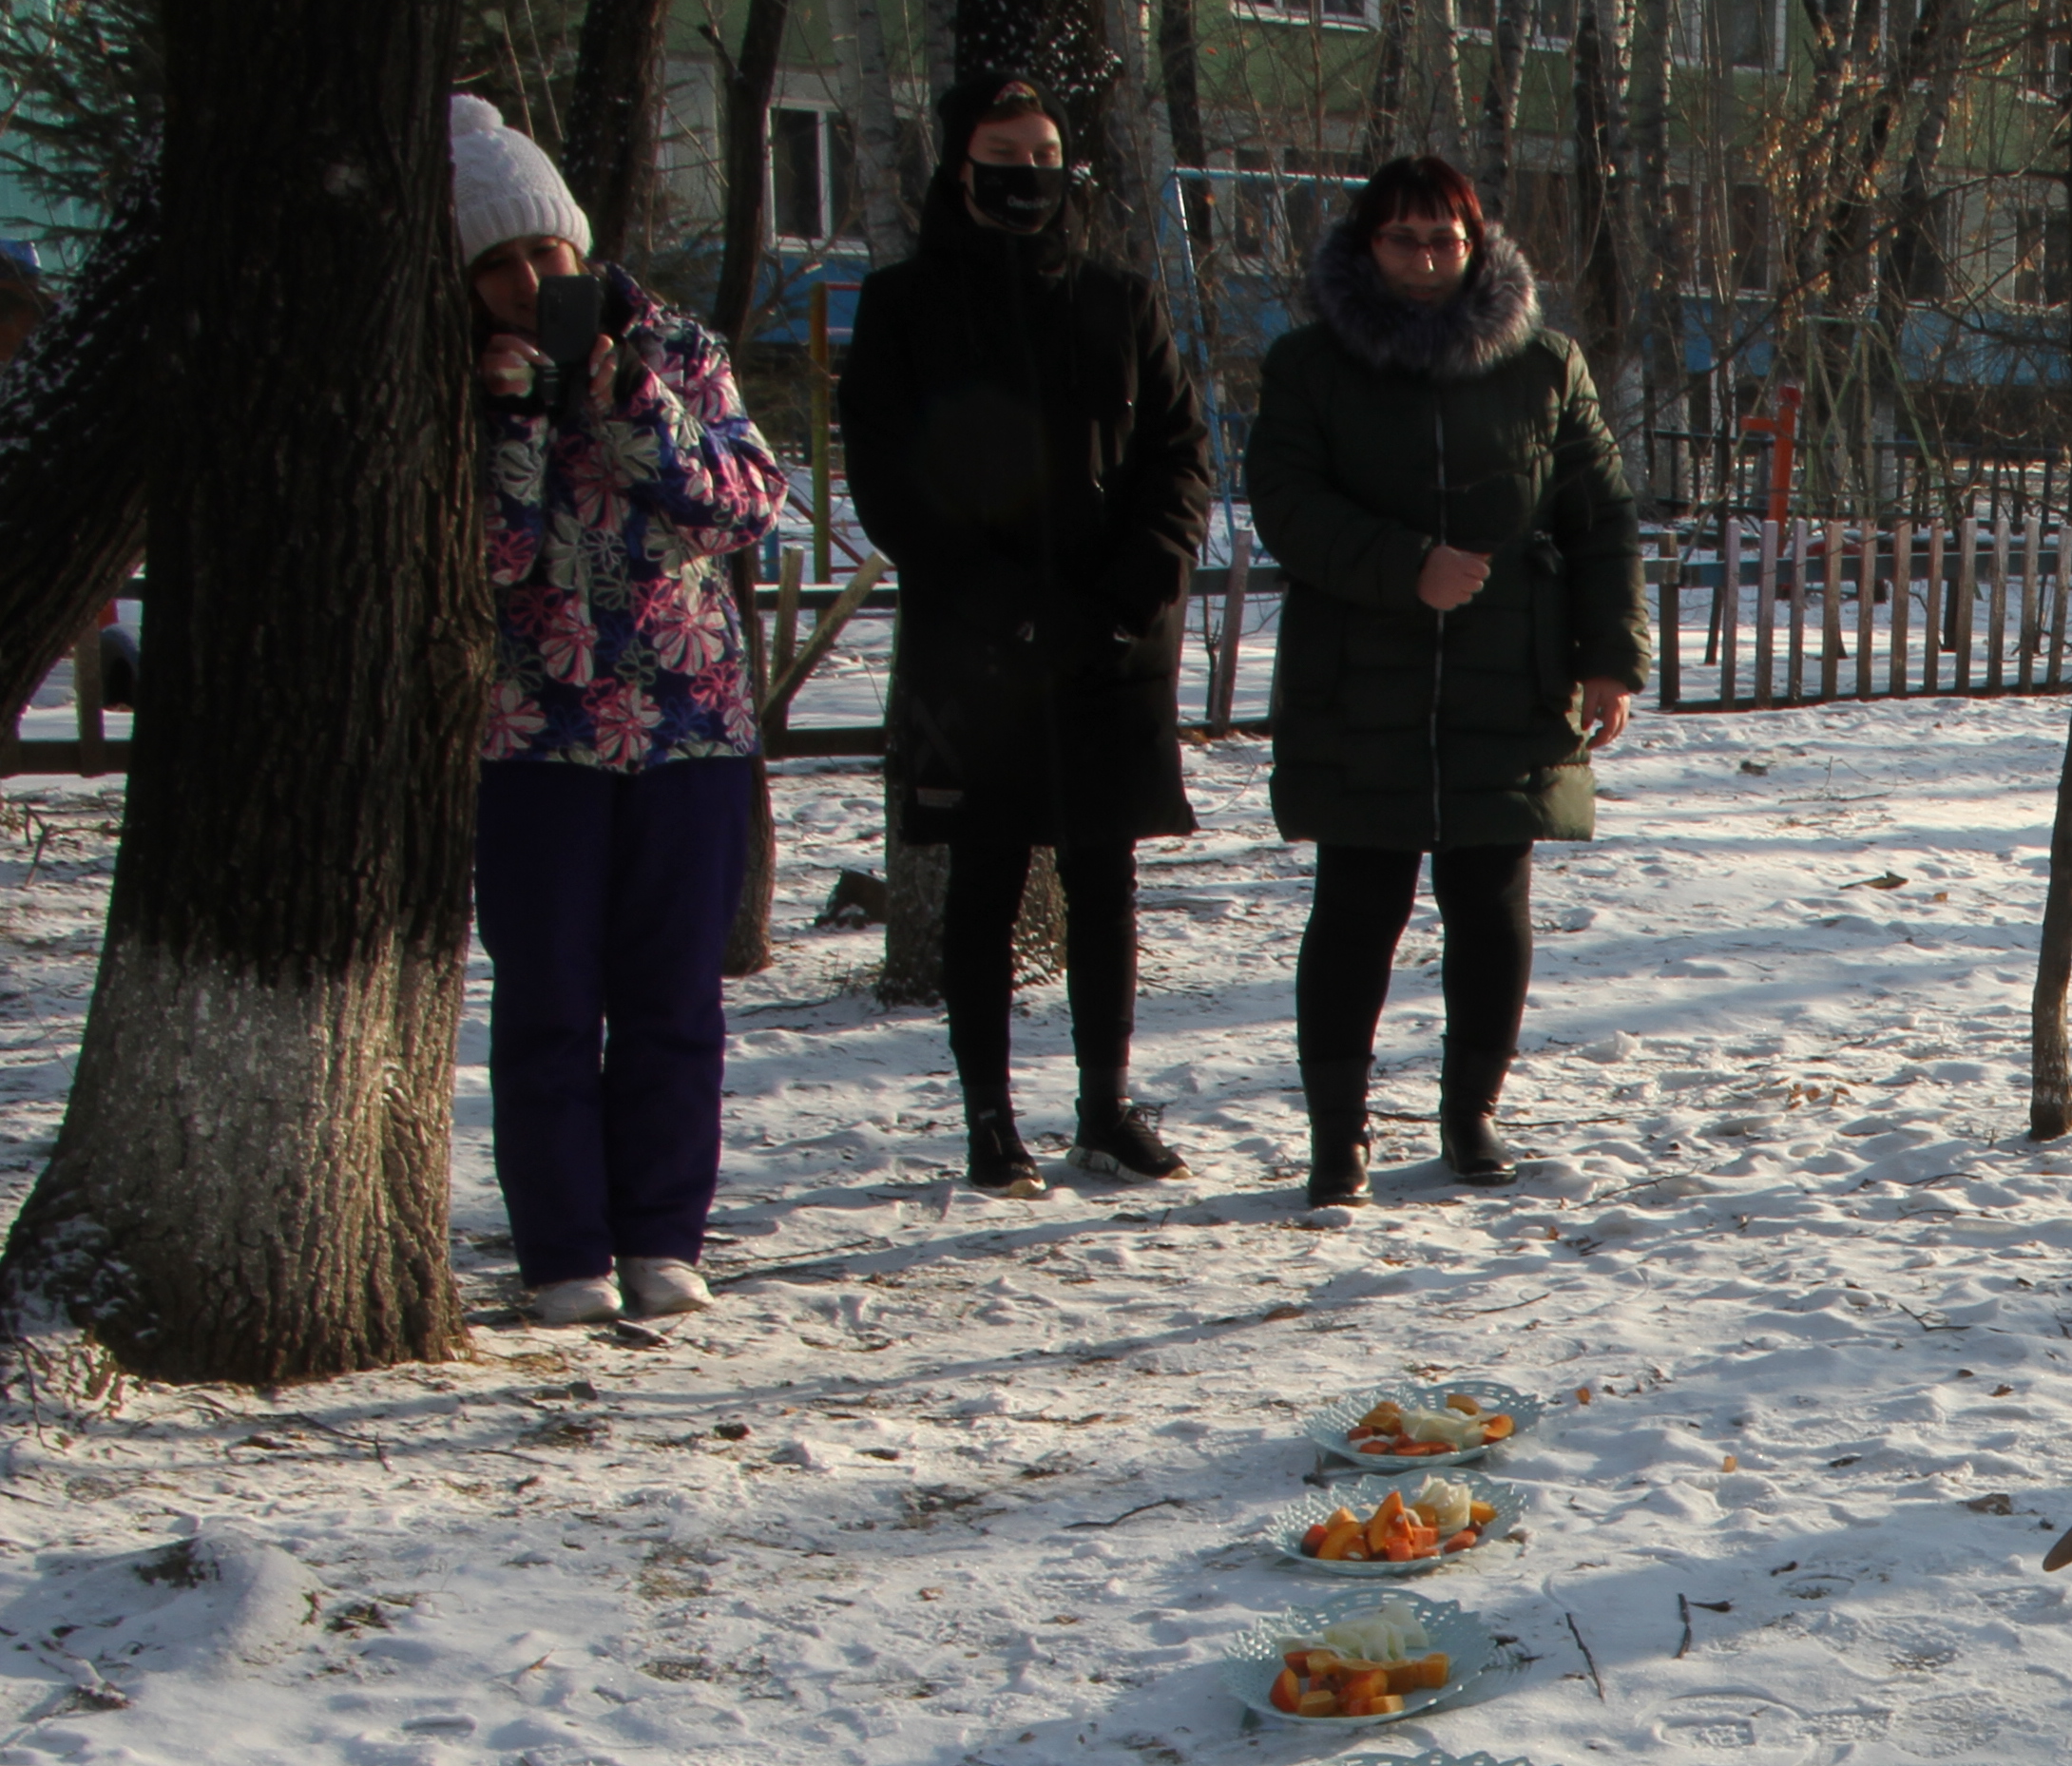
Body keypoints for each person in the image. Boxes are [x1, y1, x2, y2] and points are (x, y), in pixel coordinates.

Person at [839, 67, 1216, 1197]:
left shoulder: (1120, 300)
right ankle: (989, 1118)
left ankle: (1105, 1105)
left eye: (1045, 162)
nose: (1026, 184)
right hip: (977, 644)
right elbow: (890, 484)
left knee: (1105, 880)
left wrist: (1126, 593)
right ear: (960, 171)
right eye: (1003, 164)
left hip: (1112, 642)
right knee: (985, 881)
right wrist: (1007, 605)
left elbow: (1182, 460)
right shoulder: (904, 305)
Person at [1247, 153, 1640, 1208]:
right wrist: (1402, 565)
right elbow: (1285, 503)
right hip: (1358, 683)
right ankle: (1340, 1133)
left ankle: (1470, 1114)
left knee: (1490, 903)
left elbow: (1598, 519)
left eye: (1445, 241)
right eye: (1403, 240)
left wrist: (1608, 659)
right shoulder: (1308, 367)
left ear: (1478, 246)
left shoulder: (1543, 366)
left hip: (1506, 679)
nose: (1425, 261)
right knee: (1357, 906)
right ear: (1365, 249)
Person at [454, 93, 791, 1327]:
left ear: (582, 246)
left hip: (687, 728)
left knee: (672, 995)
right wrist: (522, 422)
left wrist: (627, 401)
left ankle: (662, 1233)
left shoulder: (679, 353)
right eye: (498, 268)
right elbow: (488, 561)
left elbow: (746, 504)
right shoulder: (466, 386)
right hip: (536, 735)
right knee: (545, 994)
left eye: (546, 255)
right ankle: (562, 1252)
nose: (530, 284)